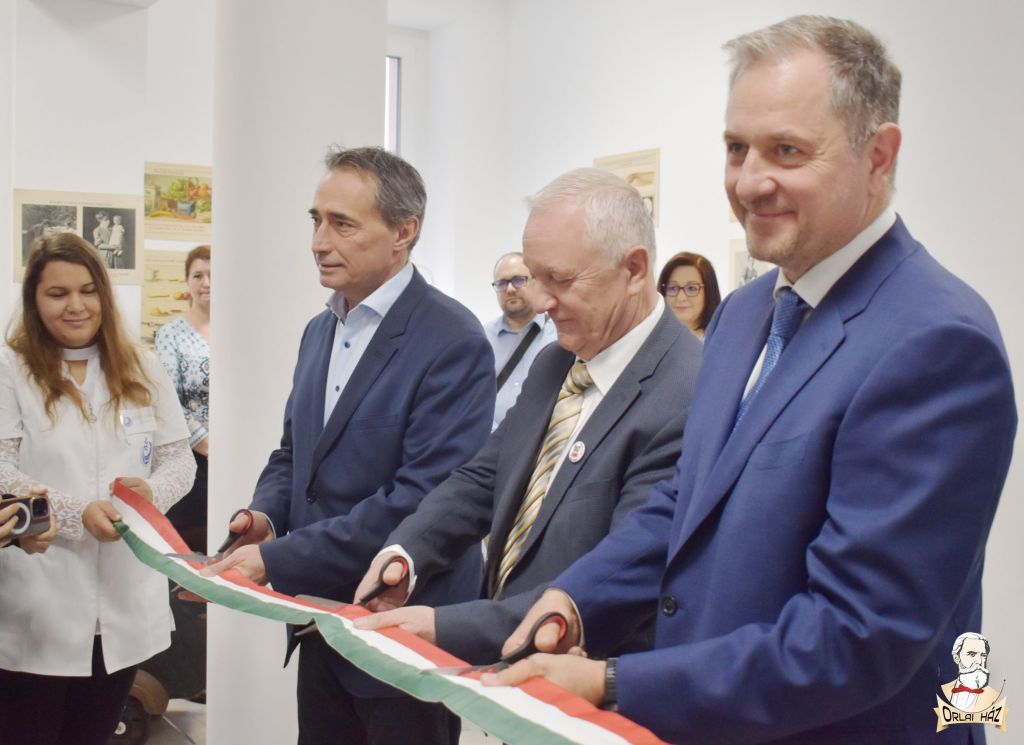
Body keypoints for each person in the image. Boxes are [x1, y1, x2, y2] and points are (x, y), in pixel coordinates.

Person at [487, 16, 1016, 745]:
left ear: (879, 155)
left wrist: (616, 682)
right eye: (736, 148)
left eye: (787, 151)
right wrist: (576, 598)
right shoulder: (743, 314)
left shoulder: (937, 343)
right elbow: (688, 499)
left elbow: (858, 635)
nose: (748, 181)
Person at [353, 168, 703, 671]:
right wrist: (407, 553)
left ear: (634, 270)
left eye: (561, 280)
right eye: (536, 277)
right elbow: (485, 477)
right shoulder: (554, 362)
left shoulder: (688, 392)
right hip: (511, 671)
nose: (540, 302)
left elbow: (618, 579)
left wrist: (446, 627)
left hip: (589, 684)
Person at [203, 146, 495, 745]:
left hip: (402, 631)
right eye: (316, 220)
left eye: (342, 224)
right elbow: (294, 454)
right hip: (321, 622)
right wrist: (264, 516)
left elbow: (422, 499)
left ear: (403, 232)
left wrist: (279, 559)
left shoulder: (453, 340)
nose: (319, 242)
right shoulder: (320, 330)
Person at [0, 233, 195, 745]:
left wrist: (150, 495)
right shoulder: (11, 369)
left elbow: (179, 459)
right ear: (34, 300)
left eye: (88, 291)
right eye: (57, 293)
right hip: (39, 598)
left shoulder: (142, 366)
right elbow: (2, 466)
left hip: (124, 600)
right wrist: (74, 512)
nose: (76, 305)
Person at [155, 244, 210, 552]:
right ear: (187, 281)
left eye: (213, 274)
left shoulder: (239, 331)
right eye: (198, 275)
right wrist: (205, 442)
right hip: (191, 457)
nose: (206, 283)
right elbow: (167, 401)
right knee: (190, 547)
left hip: (234, 454)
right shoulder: (171, 334)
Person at [484, 251, 558, 428]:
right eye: (502, 283)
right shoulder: (482, 338)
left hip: (541, 439)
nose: (509, 289)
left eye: (518, 280)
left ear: (535, 282)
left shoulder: (558, 337)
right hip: (489, 438)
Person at [657, 251, 721, 339]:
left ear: (709, 293)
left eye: (691, 288)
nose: (680, 298)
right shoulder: (651, 339)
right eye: (673, 288)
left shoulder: (723, 341)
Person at [940, 633, 1001, 713]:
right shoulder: (942, 689)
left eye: (983, 655)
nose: (979, 662)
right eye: (972, 654)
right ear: (956, 658)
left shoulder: (993, 696)